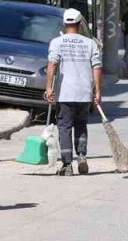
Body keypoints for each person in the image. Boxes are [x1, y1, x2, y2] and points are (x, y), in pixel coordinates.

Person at [44, 9, 104, 177]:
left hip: (65, 93)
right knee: (81, 125)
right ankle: (82, 155)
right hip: (84, 93)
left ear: (65, 24)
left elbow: (52, 66)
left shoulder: (57, 42)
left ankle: (67, 164)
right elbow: (97, 68)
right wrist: (97, 92)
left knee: (64, 127)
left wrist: (49, 88)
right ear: (79, 24)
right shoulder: (90, 43)